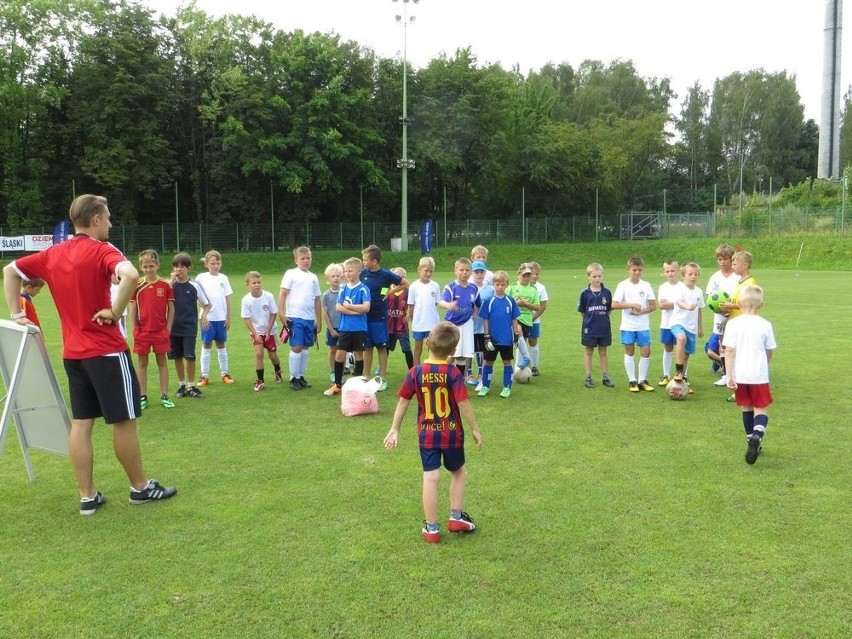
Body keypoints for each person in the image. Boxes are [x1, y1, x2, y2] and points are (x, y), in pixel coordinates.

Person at [3, 194, 176, 515]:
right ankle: (139, 488)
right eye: (108, 217)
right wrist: (115, 310)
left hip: (74, 355)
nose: (111, 223)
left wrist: (16, 313)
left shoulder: (53, 253)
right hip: (107, 352)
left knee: (81, 424)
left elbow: (10, 270)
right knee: (124, 421)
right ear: (95, 219)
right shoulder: (103, 250)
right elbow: (130, 276)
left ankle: (87, 496)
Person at [383, 321, 483, 543]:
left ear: (427, 342)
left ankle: (432, 528)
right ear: (453, 351)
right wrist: (475, 428)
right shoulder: (454, 373)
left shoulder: (415, 372)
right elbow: (464, 403)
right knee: (458, 472)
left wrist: (395, 429)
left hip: (427, 434)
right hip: (452, 434)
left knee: (431, 477)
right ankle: (455, 517)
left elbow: (402, 403)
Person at [723, 285, 776, 465]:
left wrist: (729, 375)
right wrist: (764, 363)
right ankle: (757, 435)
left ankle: (750, 440)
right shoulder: (765, 325)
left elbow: (728, 351)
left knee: (746, 408)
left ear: (738, 303)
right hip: (759, 375)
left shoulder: (733, 324)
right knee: (760, 409)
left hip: (740, 375)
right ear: (761, 305)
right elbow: (769, 351)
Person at [128, 249, 176, 409]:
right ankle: (142, 396)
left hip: (160, 332)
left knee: (162, 362)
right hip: (142, 332)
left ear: (157, 265)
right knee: (142, 363)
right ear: (141, 267)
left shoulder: (165, 285)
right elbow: (132, 308)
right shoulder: (136, 285)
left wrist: (168, 329)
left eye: (151, 266)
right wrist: (135, 328)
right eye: (145, 266)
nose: (148, 269)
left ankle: (164, 395)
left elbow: (171, 308)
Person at [360, 244, 407, 391]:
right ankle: (366, 377)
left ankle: (383, 378)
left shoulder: (386, 274)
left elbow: (405, 283)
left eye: (365, 260)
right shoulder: (363, 274)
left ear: (374, 261)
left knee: (381, 347)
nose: (363, 262)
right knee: (367, 347)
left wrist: (390, 292)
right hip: (365, 316)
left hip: (379, 316)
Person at [278, 246, 323, 391]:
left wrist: (319, 319)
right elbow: (283, 294)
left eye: (308, 258)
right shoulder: (291, 274)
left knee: (305, 346)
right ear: (296, 260)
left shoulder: (313, 277)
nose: (306, 261)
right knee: (296, 346)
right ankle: (293, 377)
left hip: (309, 318)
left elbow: (317, 299)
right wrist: (282, 313)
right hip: (295, 317)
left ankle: (301, 376)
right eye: (302, 258)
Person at [325, 257, 371, 396]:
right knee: (339, 355)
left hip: (359, 328)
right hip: (345, 328)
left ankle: (356, 386)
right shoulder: (343, 288)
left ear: (358, 271)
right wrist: (357, 311)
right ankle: (338, 385)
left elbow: (366, 308)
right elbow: (338, 307)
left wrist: (349, 306)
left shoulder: (363, 289)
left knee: (358, 354)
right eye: (346, 271)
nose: (347, 273)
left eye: (350, 271)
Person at [611, 255, 657, 392]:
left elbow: (653, 306)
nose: (637, 272)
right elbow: (614, 304)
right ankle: (632, 380)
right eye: (634, 270)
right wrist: (631, 304)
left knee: (646, 351)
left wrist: (642, 311)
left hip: (643, 325)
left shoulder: (646, 285)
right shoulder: (623, 285)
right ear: (628, 269)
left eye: (639, 270)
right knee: (629, 351)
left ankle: (642, 380)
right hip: (628, 326)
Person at [169, 252, 210, 399]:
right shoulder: (169, 285)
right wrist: (171, 281)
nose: (178, 269)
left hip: (189, 327)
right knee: (177, 356)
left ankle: (191, 385)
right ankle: (182, 384)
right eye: (175, 266)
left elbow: (207, 304)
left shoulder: (194, 285)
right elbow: (161, 301)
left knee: (190, 356)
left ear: (188, 268)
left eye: (181, 266)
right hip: (172, 327)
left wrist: (204, 315)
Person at [477, 270, 521, 398]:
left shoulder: (510, 301)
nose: (500, 287)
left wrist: (516, 334)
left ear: (507, 285)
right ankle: (485, 386)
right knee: (488, 362)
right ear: (493, 284)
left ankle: (507, 387)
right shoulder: (489, 301)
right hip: (492, 339)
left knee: (507, 362)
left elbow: (514, 318)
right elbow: (486, 319)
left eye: (502, 284)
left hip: (506, 339)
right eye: (497, 284)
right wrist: (486, 337)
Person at [196, 249, 235, 385]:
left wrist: (228, 316)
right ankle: (204, 376)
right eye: (212, 263)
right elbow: (198, 298)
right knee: (206, 344)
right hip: (207, 318)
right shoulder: (201, 278)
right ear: (206, 264)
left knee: (221, 344)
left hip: (221, 318)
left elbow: (227, 298)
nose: (215, 265)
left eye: (217, 263)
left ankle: (225, 374)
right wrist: (204, 314)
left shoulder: (223, 278)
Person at [241, 271, 284, 392]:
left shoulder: (268, 296)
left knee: (273, 355)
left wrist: (268, 330)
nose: (257, 285)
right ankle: (260, 381)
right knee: (259, 354)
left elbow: (273, 313)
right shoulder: (246, 300)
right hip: (256, 331)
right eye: (254, 283)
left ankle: (278, 369)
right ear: (248, 285)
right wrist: (255, 333)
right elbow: (246, 318)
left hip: (269, 330)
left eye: (259, 282)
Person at [439, 257, 479, 381]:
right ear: (455, 271)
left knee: (463, 355)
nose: (464, 273)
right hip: (452, 325)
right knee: (451, 354)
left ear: (471, 272)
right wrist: (448, 305)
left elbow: (477, 304)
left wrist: (474, 314)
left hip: (467, 324)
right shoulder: (451, 287)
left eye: (467, 270)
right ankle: (441, 377)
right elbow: (441, 302)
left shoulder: (474, 288)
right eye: (461, 270)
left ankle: (459, 380)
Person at [705, 244, 739, 387]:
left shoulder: (737, 276)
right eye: (720, 259)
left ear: (732, 260)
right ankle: (726, 374)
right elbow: (709, 296)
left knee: (736, 344)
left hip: (736, 314)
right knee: (723, 345)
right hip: (720, 316)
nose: (722, 262)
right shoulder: (715, 277)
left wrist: (731, 307)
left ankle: (738, 374)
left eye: (725, 259)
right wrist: (719, 310)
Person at [578, 263, 614, 388]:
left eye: (599, 276)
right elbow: (583, 311)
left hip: (604, 327)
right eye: (594, 276)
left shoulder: (607, 292)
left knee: (603, 352)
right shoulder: (585, 293)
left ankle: (605, 376)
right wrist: (589, 321)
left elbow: (608, 310)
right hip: (589, 328)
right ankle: (588, 377)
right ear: (588, 277)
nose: (597, 279)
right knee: (589, 351)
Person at [669, 262, 705, 392]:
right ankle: (679, 370)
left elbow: (699, 310)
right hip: (678, 322)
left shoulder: (699, 291)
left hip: (692, 327)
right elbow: (678, 302)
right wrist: (687, 306)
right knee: (681, 338)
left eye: (695, 274)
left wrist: (700, 327)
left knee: (686, 356)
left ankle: (681, 380)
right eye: (690, 274)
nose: (693, 276)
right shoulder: (679, 288)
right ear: (683, 275)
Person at [407, 256, 440, 367]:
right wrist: (412, 320)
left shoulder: (435, 286)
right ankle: (416, 371)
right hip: (419, 324)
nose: (428, 273)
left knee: (432, 348)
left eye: (431, 271)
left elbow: (435, 304)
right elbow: (410, 306)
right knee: (418, 348)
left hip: (432, 324)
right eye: (426, 270)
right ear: (419, 270)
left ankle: (432, 370)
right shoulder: (413, 287)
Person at [506, 263, 539, 369]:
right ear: (518, 274)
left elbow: (537, 307)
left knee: (520, 344)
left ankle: (518, 367)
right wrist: (516, 303)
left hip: (527, 321)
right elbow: (504, 302)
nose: (526, 277)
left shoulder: (533, 290)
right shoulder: (512, 287)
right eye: (524, 275)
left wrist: (525, 303)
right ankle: (526, 358)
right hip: (515, 319)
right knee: (518, 330)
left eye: (528, 275)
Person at [470, 260, 494, 390]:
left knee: (485, 353)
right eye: (476, 272)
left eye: (481, 272)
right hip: (469, 327)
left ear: (485, 273)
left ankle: (482, 379)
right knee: (470, 352)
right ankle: (466, 376)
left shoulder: (490, 289)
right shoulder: (468, 287)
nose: (479, 274)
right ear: (472, 273)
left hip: (484, 327)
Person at [656, 260, 680, 386]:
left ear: (678, 271)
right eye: (667, 271)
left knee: (681, 350)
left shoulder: (683, 287)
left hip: (681, 323)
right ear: (664, 273)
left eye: (672, 270)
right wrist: (677, 303)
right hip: (666, 323)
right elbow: (662, 305)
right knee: (668, 348)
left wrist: (671, 304)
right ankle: (666, 375)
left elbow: (683, 305)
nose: (670, 273)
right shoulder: (663, 287)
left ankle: (682, 375)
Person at [387, 266, 414, 372]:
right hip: (389, 325)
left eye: (401, 276)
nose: (398, 278)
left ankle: (411, 369)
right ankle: (382, 368)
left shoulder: (407, 291)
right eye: (396, 275)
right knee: (385, 348)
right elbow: (381, 302)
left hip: (402, 326)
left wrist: (410, 314)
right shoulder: (387, 289)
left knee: (406, 349)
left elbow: (413, 304)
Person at [321, 263, 344, 383]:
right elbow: (325, 313)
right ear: (328, 279)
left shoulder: (345, 292)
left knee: (342, 351)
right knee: (333, 350)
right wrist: (331, 329)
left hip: (344, 327)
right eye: (333, 276)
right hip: (332, 328)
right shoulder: (326, 295)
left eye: (338, 276)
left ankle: (341, 371)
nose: (336, 278)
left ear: (342, 277)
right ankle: (333, 371)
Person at [528, 262, 548, 376]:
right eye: (532, 274)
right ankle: (519, 365)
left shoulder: (541, 288)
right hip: (521, 321)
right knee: (520, 342)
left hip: (534, 321)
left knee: (533, 341)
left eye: (537, 274)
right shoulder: (522, 286)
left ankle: (534, 366)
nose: (534, 276)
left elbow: (543, 306)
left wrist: (533, 318)